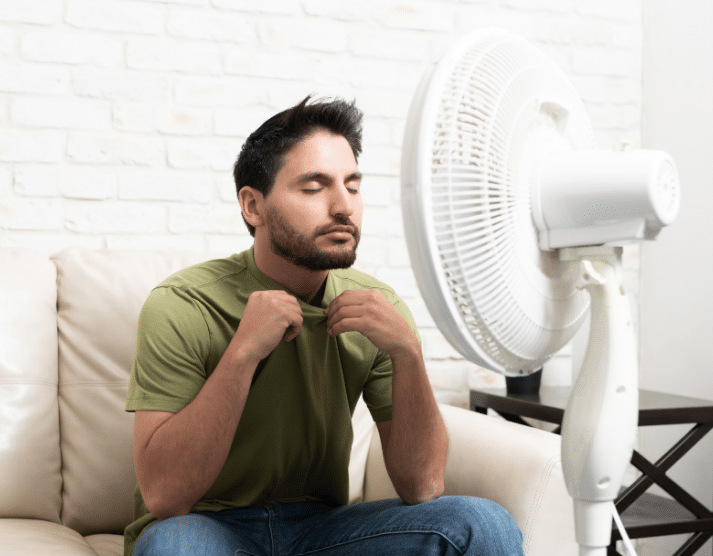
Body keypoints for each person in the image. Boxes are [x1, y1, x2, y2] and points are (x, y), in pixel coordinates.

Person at [123, 96, 525, 556]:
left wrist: (407, 354)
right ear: (253, 205)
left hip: (323, 530)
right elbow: (165, 498)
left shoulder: (377, 310)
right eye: (314, 188)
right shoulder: (183, 304)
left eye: (352, 186)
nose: (343, 207)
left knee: (481, 524)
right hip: (204, 526)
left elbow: (423, 485)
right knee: (177, 549)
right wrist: (242, 354)